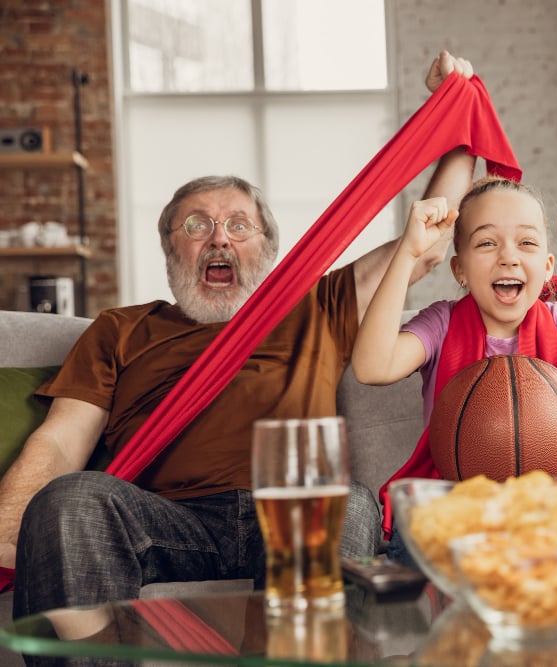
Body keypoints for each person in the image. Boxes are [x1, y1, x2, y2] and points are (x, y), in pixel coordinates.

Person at [0, 50, 478, 621]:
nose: (218, 240)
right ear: (171, 249)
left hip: (290, 505)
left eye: (238, 226)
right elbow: (59, 442)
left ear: (270, 251)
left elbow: (426, 239)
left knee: (343, 503)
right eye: (196, 226)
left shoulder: (318, 304)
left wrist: (455, 116)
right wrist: (8, 532)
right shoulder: (120, 329)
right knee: (71, 497)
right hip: (162, 515)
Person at [349, 176, 557, 552]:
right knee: (415, 531)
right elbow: (372, 367)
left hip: (553, 501)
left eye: (527, 242)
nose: (508, 256)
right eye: (486, 242)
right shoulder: (440, 323)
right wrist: (407, 254)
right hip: (456, 505)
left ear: (548, 266)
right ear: (460, 270)